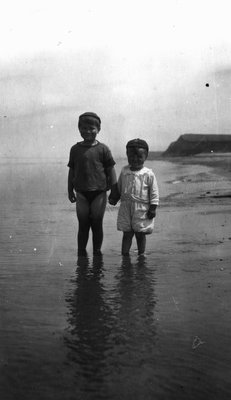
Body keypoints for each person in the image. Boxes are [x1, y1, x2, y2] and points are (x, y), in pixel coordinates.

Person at [68, 112, 117, 257]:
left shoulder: (103, 149)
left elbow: (111, 170)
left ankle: (97, 252)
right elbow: (71, 171)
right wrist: (69, 190)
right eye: (83, 128)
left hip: (99, 193)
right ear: (79, 129)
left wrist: (114, 191)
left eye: (91, 128)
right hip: (81, 193)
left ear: (98, 129)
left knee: (97, 223)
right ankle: (81, 253)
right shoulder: (75, 149)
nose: (87, 131)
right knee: (82, 224)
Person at [109, 138, 159, 256]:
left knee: (140, 233)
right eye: (131, 156)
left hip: (142, 207)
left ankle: (142, 254)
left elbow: (154, 192)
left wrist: (153, 208)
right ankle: (125, 255)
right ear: (127, 155)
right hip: (126, 206)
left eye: (139, 156)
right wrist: (114, 198)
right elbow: (120, 187)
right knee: (127, 232)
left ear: (145, 156)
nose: (135, 159)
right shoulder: (124, 171)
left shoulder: (148, 173)